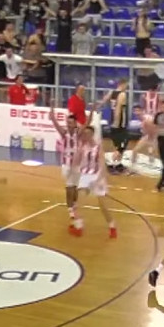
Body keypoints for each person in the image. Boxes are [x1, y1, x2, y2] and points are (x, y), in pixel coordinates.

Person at [71, 125, 118, 238]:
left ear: (92, 134)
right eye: (84, 134)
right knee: (78, 203)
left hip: (97, 176)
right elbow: (75, 162)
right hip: (85, 175)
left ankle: (112, 225)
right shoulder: (82, 147)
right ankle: (79, 227)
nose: (85, 136)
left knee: (103, 205)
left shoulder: (98, 147)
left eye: (87, 134)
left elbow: (102, 165)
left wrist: (99, 179)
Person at [49, 99, 84, 232]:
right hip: (67, 164)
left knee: (75, 188)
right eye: (67, 122)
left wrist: (92, 110)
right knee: (69, 188)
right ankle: (71, 212)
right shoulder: (64, 133)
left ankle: (73, 206)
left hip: (77, 164)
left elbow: (87, 124)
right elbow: (53, 120)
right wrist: (52, 106)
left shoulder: (78, 133)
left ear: (75, 124)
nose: (68, 125)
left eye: (70, 123)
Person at [129, 85, 161, 170]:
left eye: (138, 111)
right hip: (149, 135)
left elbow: (153, 132)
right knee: (136, 151)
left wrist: (150, 143)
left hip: (152, 136)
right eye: (135, 111)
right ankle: (133, 166)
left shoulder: (147, 120)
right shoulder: (143, 119)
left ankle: (151, 164)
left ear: (142, 111)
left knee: (150, 152)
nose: (136, 113)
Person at [108, 79, 131, 172]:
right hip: (120, 123)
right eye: (126, 85)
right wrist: (116, 122)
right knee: (122, 144)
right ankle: (112, 163)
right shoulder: (122, 94)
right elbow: (118, 108)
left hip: (113, 122)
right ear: (123, 84)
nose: (127, 87)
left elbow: (105, 100)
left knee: (118, 145)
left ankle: (118, 164)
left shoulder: (112, 93)